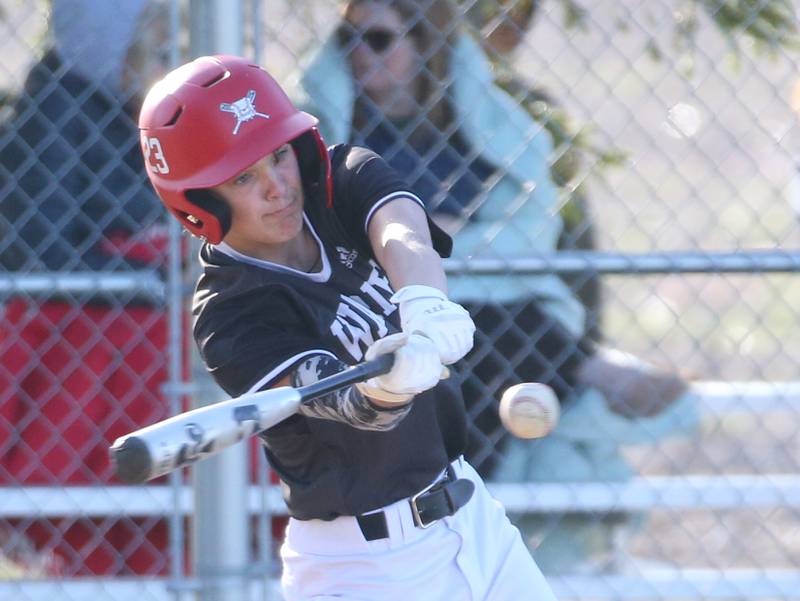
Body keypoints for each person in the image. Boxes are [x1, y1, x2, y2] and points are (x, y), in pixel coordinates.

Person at [298, 0, 699, 574]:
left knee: (483, 320)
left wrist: (432, 250)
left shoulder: (478, 129)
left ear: (425, 44)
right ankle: (587, 369)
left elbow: (531, 228)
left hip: (493, 303)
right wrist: (437, 247)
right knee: (466, 325)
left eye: (380, 39)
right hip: (389, 304)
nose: (360, 54)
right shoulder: (339, 138)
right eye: (349, 40)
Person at [138, 53, 558, 601]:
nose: (278, 187)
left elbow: (403, 234)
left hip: (473, 519)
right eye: (244, 177)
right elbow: (330, 398)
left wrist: (424, 303)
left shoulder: (338, 178)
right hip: (363, 569)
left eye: (279, 156)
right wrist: (385, 385)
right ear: (198, 201)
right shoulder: (227, 313)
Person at [0, 0, 172, 576]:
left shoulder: (119, 110)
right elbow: (39, 251)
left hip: (122, 313)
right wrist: (144, 275)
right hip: (72, 331)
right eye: (153, 40)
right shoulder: (60, 105)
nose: (167, 55)